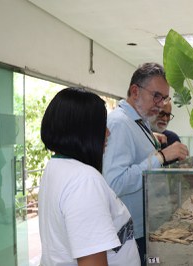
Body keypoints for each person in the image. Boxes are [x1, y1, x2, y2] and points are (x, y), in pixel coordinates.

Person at [39, 87, 140, 266]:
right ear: (83, 131)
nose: (108, 133)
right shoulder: (84, 180)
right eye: (102, 126)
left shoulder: (56, 167)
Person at [103, 63, 188, 263]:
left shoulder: (138, 123)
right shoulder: (119, 123)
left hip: (146, 226)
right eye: (156, 95)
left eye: (164, 98)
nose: (160, 104)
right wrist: (161, 157)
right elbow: (115, 182)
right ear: (135, 91)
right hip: (132, 234)